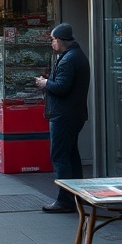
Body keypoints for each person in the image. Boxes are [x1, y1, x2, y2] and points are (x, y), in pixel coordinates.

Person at [34, 23, 90, 213]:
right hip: (73, 114)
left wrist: (45, 83)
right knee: (71, 155)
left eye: (52, 40)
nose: (52, 43)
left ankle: (65, 199)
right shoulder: (75, 56)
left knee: (60, 156)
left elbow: (61, 87)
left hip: (63, 115)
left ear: (60, 40)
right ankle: (77, 195)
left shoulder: (69, 59)